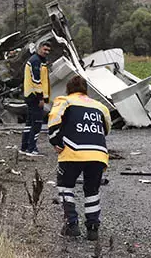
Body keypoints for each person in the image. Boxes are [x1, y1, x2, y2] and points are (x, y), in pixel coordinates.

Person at [47, 75, 112, 241]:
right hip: (97, 153)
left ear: (69, 89)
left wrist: (55, 140)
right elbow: (107, 128)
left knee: (65, 186)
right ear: (85, 90)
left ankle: (72, 224)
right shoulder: (100, 106)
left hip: (72, 152)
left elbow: (54, 120)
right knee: (92, 191)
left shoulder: (65, 101)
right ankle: (92, 228)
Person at [20, 41, 51, 156]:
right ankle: (32, 149)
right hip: (34, 97)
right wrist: (41, 98)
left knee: (29, 122)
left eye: (48, 50)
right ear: (39, 49)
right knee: (37, 123)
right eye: (44, 49)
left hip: (30, 95)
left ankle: (24, 147)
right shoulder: (36, 61)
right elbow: (36, 81)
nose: (46, 52)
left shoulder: (38, 60)